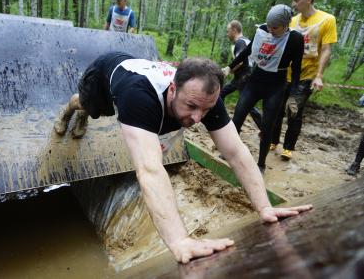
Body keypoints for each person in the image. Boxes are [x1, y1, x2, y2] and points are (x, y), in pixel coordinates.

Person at [54, 51, 312, 263]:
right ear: (173, 89)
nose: (198, 118)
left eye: (206, 109)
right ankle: (72, 110)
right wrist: (180, 241)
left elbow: (236, 153)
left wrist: (265, 207)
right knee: (92, 108)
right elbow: (149, 170)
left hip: (144, 88)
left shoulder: (204, 98)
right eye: (191, 107)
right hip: (105, 74)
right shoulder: (138, 96)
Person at [222, 4, 304, 173]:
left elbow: (296, 69)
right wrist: (229, 68)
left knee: (267, 127)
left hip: (276, 86)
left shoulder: (295, 39)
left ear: (286, 24)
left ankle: (260, 164)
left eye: (276, 27)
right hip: (255, 80)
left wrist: (294, 96)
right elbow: (247, 51)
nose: (271, 30)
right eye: (269, 26)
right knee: (237, 117)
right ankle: (230, 153)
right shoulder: (263, 30)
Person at [271, 0, 337, 160]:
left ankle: (288, 148)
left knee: (293, 111)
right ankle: (273, 140)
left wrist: (319, 76)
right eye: (293, 0)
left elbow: (327, 49)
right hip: (285, 73)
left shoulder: (327, 19)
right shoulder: (292, 21)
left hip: (307, 75)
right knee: (277, 110)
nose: (293, 4)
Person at [221, 20, 262, 132]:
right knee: (221, 93)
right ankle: (221, 120)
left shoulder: (240, 42)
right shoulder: (246, 41)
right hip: (242, 76)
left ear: (234, 30)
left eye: (228, 31)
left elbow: (240, 62)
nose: (227, 33)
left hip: (244, 76)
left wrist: (228, 70)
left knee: (247, 105)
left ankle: (266, 129)